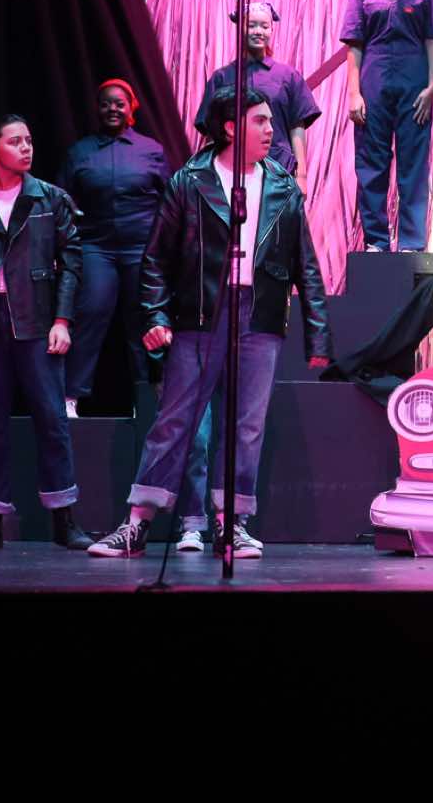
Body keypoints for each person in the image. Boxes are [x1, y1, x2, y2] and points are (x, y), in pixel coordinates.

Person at [88, 88, 334, 558]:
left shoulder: (282, 185)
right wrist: (156, 315)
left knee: (247, 426)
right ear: (230, 127)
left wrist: (318, 332)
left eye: (270, 121)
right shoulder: (190, 180)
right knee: (175, 421)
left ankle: (230, 524)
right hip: (202, 315)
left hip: (259, 315)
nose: (271, 130)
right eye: (260, 121)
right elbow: (155, 257)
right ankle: (137, 523)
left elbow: (305, 263)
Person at [0, 115, 91, 550]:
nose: (26, 148)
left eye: (28, 140)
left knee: (52, 421)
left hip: (37, 323)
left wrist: (62, 320)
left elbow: (72, 264)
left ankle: (64, 521)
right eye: (15, 142)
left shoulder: (51, 199)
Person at [57, 78, 171, 417]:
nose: (112, 109)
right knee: (90, 314)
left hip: (141, 249)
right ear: (97, 108)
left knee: (143, 323)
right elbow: (62, 201)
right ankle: (70, 397)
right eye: (106, 103)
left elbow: (170, 202)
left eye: (119, 103)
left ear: (131, 107)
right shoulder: (80, 152)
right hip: (97, 248)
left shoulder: (150, 149)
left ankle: (145, 399)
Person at [340, 0, 433, 252]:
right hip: (374, 83)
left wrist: (432, 86)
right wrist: (354, 93)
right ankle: (376, 240)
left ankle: (411, 242)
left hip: (414, 85)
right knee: (371, 164)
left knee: (413, 165)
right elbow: (354, 47)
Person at [194, 2, 321, 177]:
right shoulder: (222, 78)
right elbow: (212, 132)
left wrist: (302, 176)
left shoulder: (288, 76)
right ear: (240, 29)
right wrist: (208, 174)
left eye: (264, 26)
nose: (258, 31)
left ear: (271, 30)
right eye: (251, 25)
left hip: (279, 170)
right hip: (231, 171)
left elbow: (297, 126)